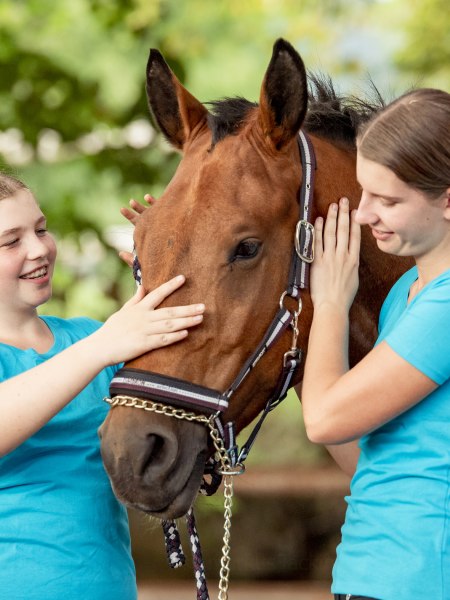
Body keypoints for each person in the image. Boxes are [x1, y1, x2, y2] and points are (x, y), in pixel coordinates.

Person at [0, 173, 205, 599]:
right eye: (11, 242)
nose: (39, 249)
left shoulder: (89, 338)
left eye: (40, 229)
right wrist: (102, 346)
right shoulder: (97, 346)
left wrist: (171, 263)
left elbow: (175, 393)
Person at [299, 88, 450, 600]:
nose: (364, 214)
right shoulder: (405, 297)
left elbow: (324, 419)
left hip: (423, 579)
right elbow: (368, 459)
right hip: (371, 573)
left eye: (387, 200)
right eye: (364, 193)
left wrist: (332, 305)